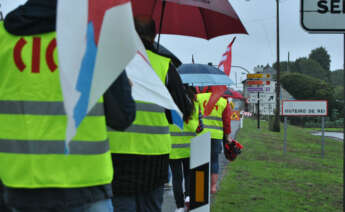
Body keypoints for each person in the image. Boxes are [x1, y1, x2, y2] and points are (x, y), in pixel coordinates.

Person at [0, 0, 135, 211]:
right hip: (88, 185)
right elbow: (123, 116)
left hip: (22, 186)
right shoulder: (99, 34)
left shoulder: (3, 39)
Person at [107, 16, 193, 212]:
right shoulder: (164, 65)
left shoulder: (111, 62)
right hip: (154, 156)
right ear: (153, 36)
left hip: (116, 153)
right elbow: (182, 111)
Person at [169, 85, 203, 212]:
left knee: (176, 178)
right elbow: (201, 125)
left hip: (173, 148)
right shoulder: (196, 103)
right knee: (189, 175)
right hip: (191, 147)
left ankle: (179, 207)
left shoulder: (170, 102)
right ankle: (189, 198)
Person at [197, 90, 232, 194]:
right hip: (216, 136)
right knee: (214, 160)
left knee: (200, 162)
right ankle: (213, 187)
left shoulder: (198, 98)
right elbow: (226, 122)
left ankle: (200, 187)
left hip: (200, 134)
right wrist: (227, 136)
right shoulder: (222, 102)